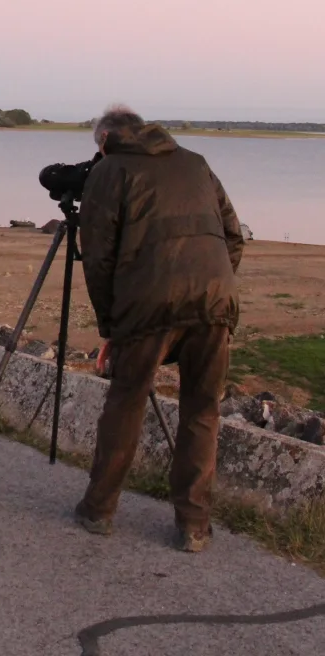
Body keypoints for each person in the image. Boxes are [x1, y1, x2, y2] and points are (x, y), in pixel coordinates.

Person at [74, 106, 244, 552]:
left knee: (126, 402)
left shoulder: (111, 170)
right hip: (215, 301)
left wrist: (110, 325)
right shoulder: (195, 162)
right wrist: (212, 284)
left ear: (106, 140)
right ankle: (193, 526)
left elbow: (98, 256)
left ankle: (99, 510)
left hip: (147, 305)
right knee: (203, 411)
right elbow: (234, 236)